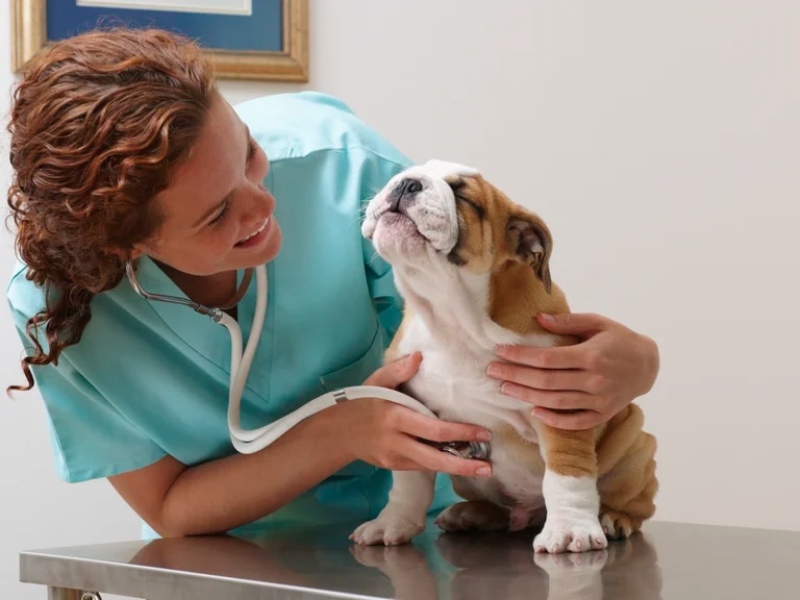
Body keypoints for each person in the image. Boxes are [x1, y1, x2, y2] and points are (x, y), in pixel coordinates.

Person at [5, 27, 660, 539]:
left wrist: (636, 362)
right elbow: (171, 508)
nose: (261, 204)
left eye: (249, 155)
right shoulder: (61, 310)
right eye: (215, 215)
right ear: (127, 246)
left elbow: (506, 322)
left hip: (425, 541)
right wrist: (340, 433)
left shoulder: (341, 165)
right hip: (228, 561)